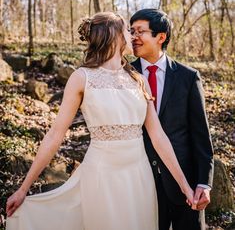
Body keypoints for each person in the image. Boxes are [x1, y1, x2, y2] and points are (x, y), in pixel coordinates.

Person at [6, 12, 194, 230]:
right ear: (113, 35)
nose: (132, 36)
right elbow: (55, 135)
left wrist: (185, 187)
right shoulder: (82, 78)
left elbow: (158, 136)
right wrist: (23, 188)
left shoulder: (139, 79)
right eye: (127, 31)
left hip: (139, 176)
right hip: (101, 176)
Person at [130, 8, 214, 230]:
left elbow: (201, 135)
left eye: (140, 31)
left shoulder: (188, 77)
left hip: (185, 182)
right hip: (140, 181)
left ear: (161, 37)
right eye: (131, 31)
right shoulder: (125, 75)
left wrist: (204, 182)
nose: (133, 37)